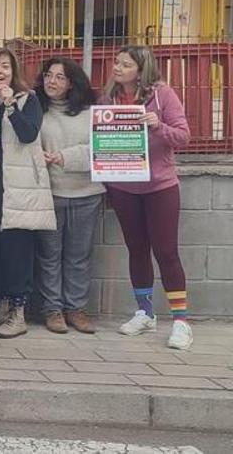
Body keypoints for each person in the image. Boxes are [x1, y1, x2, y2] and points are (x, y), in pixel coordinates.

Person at [102, 46, 193, 350]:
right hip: (123, 186)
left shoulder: (163, 95)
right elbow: (100, 142)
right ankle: (145, 312)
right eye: (116, 62)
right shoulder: (108, 100)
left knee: (166, 252)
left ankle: (180, 321)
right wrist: (106, 179)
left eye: (125, 64)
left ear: (141, 70)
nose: (117, 68)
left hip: (160, 186)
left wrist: (158, 126)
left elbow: (183, 136)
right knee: (137, 250)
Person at [0, 47, 56, 340]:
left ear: (13, 71)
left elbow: (28, 134)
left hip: (18, 190)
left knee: (17, 252)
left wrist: (10, 105)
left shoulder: (28, 100)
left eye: (5, 66)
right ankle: (0, 304)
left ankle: (18, 312)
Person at [34, 57, 104, 335]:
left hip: (87, 193)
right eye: (48, 75)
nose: (51, 81)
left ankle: (75, 308)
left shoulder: (90, 113)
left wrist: (65, 157)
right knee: (49, 255)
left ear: (72, 83)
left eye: (59, 77)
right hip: (50, 193)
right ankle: (52, 309)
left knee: (79, 256)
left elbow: (100, 148)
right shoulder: (36, 109)